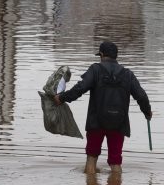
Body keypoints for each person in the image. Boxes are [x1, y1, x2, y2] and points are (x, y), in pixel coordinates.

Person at [54, 41, 152, 174]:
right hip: (119, 124)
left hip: (96, 123)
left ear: (101, 54)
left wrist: (62, 98)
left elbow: (80, 88)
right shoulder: (128, 74)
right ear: (116, 56)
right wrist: (147, 112)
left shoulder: (95, 70)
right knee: (115, 162)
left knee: (91, 158)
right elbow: (141, 96)